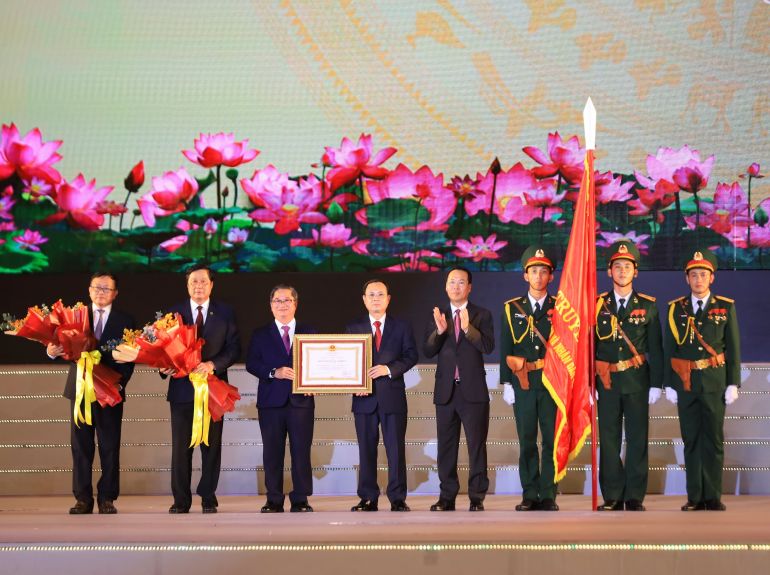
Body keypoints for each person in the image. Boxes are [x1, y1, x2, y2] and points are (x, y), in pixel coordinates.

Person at [47, 272, 135, 514]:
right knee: (80, 447)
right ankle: (82, 499)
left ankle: (107, 498)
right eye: (97, 287)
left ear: (115, 293)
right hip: (80, 391)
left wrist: (119, 384)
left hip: (110, 392)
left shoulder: (125, 320)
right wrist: (52, 352)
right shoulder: (74, 317)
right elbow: (62, 350)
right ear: (89, 290)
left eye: (106, 288)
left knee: (109, 446)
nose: (101, 292)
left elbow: (129, 360)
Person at [663, 249, 740, 511]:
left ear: (712, 278)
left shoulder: (725, 306)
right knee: (692, 440)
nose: (698, 279)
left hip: (714, 382)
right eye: (693, 275)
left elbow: (733, 346)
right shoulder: (676, 309)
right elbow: (669, 347)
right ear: (687, 279)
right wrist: (669, 383)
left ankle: (713, 496)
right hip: (685, 384)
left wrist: (733, 382)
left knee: (714, 441)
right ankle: (695, 497)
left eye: (703, 274)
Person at [163, 264, 240, 514]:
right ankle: (181, 500)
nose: (199, 286)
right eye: (194, 282)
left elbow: (233, 349)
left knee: (212, 446)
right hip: (182, 391)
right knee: (180, 448)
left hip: (213, 389)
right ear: (187, 285)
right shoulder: (173, 313)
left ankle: (208, 496)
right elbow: (163, 348)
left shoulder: (225, 312)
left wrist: (213, 364)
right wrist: (165, 367)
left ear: (211, 285)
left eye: (203, 282)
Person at [594, 241, 663, 511]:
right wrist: (590, 382)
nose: (622, 271)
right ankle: (611, 495)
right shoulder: (597, 305)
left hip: (637, 380)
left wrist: (656, 383)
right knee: (609, 440)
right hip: (606, 382)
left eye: (627, 266)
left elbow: (656, 348)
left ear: (636, 272)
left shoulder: (648, 306)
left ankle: (634, 495)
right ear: (609, 272)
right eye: (617, 266)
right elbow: (590, 346)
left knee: (637, 439)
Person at [423, 266, 494, 511]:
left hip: (473, 392)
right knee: (446, 447)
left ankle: (477, 497)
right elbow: (428, 350)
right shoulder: (438, 315)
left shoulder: (481, 315)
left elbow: (487, 346)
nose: (456, 286)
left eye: (461, 282)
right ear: (445, 286)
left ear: (469, 287)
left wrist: (467, 329)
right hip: (445, 392)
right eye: (452, 282)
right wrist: (439, 332)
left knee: (476, 446)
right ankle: (447, 497)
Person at [346, 279, 418, 512]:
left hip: (392, 396)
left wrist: (389, 369)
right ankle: (368, 497)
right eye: (371, 294)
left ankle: (397, 497)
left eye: (380, 294)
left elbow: (411, 355)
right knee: (366, 449)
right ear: (364, 299)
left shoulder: (402, 326)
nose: (376, 298)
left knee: (395, 449)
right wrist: (353, 382)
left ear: (388, 299)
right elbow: (347, 361)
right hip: (363, 397)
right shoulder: (353, 328)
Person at [499, 246, 560, 511]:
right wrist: (506, 382)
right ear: (525, 276)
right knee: (526, 440)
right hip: (522, 382)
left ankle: (548, 493)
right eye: (533, 271)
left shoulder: (560, 308)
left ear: (551, 277)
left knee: (550, 440)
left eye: (543, 271)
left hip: (551, 382)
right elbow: (506, 346)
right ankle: (529, 492)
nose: (538, 276)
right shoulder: (512, 308)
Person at [246, 285, 315, 513]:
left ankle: (300, 498)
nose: (282, 304)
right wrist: (274, 371)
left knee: (301, 451)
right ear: (271, 305)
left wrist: (316, 382)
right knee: (272, 452)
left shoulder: (310, 332)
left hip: (301, 401)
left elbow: (319, 364)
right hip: (270, 402)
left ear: (295, 304)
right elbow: (252, 364)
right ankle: (273, 499)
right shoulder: (260, 334)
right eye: (277, 300)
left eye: (287, 300)